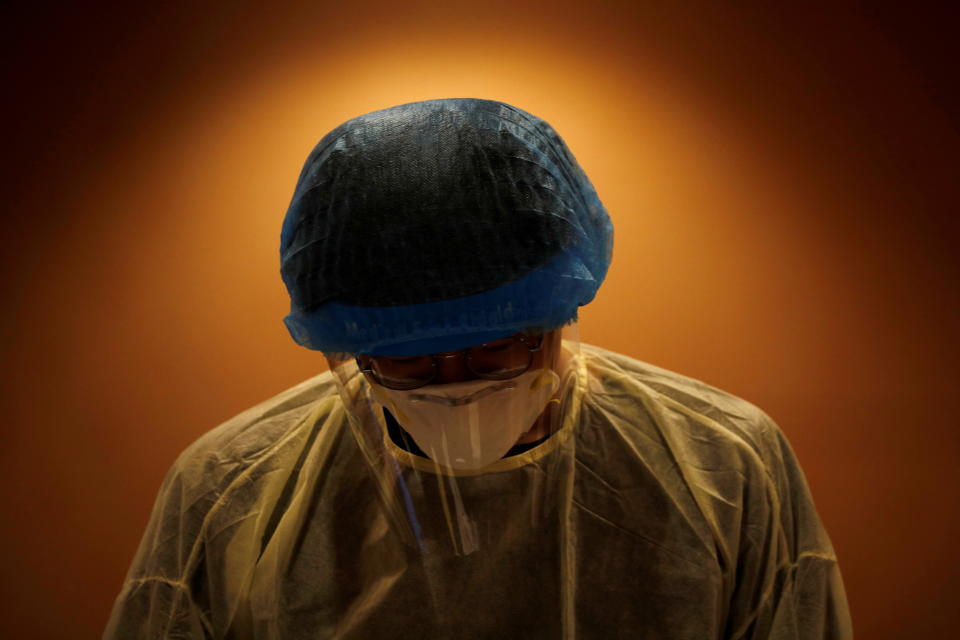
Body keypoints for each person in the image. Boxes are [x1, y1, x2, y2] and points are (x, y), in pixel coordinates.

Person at [105, 98, 852, 639]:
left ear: (559, 312)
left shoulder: (720, 463)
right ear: (351, 346)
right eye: (411, 359)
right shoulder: (234, 489)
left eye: (496, 347)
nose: (455, 383)